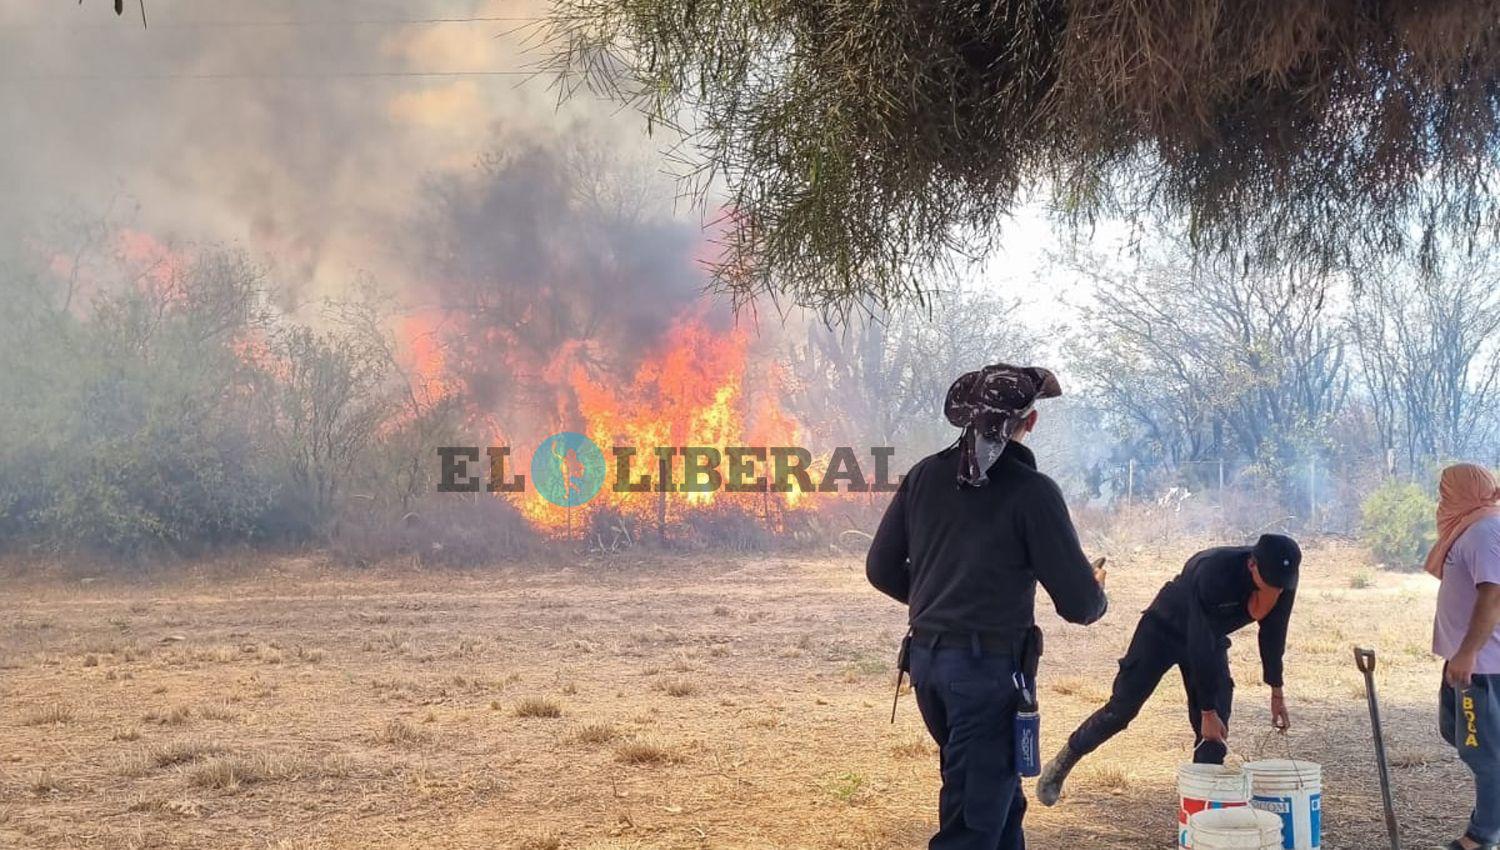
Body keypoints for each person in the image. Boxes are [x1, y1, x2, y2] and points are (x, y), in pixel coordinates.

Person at [867, 363, 1108, 850]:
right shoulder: (1032, 493)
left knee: (996, 809)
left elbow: (881, 568)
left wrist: (942, 603)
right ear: (1030, 422)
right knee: (972, 828)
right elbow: (1080, 604)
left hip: (930, 668)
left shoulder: (923, 477)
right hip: (985, 678)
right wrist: (1096, 586)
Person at [1037, 533, 1302, 805]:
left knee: (1215, 730)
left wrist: (1276, 690)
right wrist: (1205, 710)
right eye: (1269, 583)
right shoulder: (1214, 570)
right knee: (1121, 710)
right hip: (1163, 628)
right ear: (1252, 565)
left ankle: (1201, 812)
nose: (1275, 590)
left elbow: (1274, 632)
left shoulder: (1283, 577)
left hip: (1211, 639)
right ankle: (1062, 763)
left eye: (1281, 586)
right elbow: (1198, 640)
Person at [1428, 464, 1500, 850]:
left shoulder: (1486, 531)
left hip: (1483, 665)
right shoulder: (1473, 528)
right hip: (1467, 660)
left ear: (1464, 492)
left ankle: (1481, 837)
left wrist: (1469, 652)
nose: (1441, 501)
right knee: (1457, 733)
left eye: (1445, 492)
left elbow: (1493, 596)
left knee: (1485, 753)